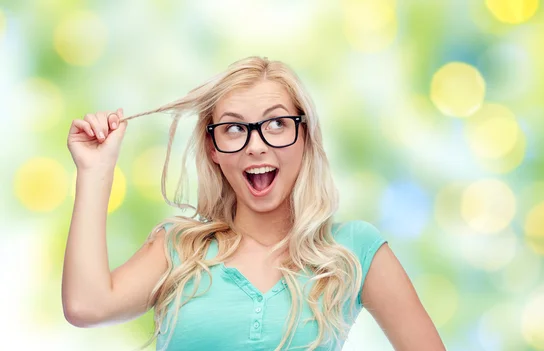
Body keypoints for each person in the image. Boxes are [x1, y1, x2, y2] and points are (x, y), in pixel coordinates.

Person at [62, 57, 446, 351]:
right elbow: (86, 306)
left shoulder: (353, 251)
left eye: (277, 124)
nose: (257, 145)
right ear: (213, 149)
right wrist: (95, 171)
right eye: (233, 128)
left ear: (305, 135)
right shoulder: (179, 247)